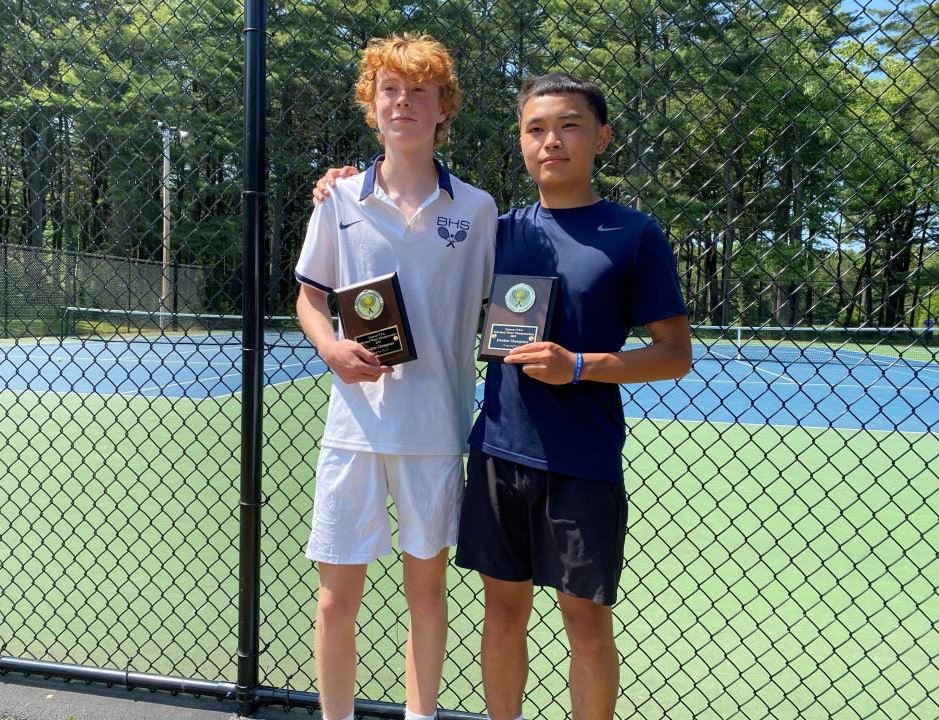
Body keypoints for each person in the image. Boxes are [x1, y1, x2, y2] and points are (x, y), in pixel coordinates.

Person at [314, 73, 692, 720]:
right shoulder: (501, 225)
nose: (552, 141)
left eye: (569, 125)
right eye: (536, 129)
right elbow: (422, 233)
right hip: (497, 453)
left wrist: (579, 365)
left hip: (583, 461)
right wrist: (345, 184)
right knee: (502, 612)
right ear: (521, 142)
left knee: (585, 624)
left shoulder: (636, 235)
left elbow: (674, 355)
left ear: (600, 137)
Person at [294, 34, 497, 720]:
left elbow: (508, 306)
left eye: (419, 90)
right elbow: (309, 296)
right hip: (352, 429)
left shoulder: (478, 210)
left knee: (426, 595)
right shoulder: (339, 199)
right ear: (370, 105)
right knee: (334, 600)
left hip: (435, 428)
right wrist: (329, 348)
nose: (403, 102)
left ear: (445, 107)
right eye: (389, 89)